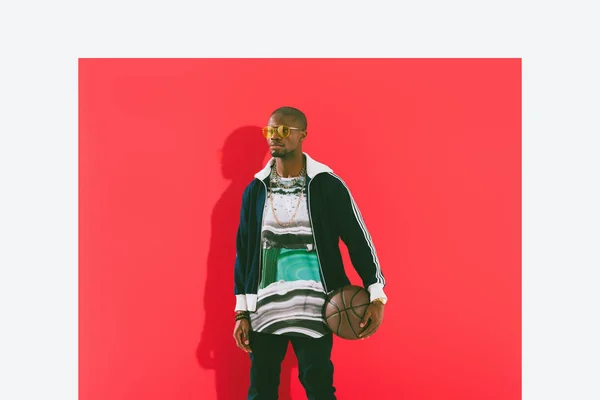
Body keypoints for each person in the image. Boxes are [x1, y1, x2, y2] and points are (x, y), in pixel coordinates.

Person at [233, 106, 388, 400]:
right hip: (264, 311)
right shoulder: (255, 190)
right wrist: (242, 311)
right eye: (269, 131)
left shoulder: (326, 185)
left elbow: (358, 240)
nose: (274, 137)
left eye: (282, 130)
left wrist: (376, 292)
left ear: (302, 134)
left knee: (319, 390)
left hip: (317, 310)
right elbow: (244, 252)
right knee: (260, 392)